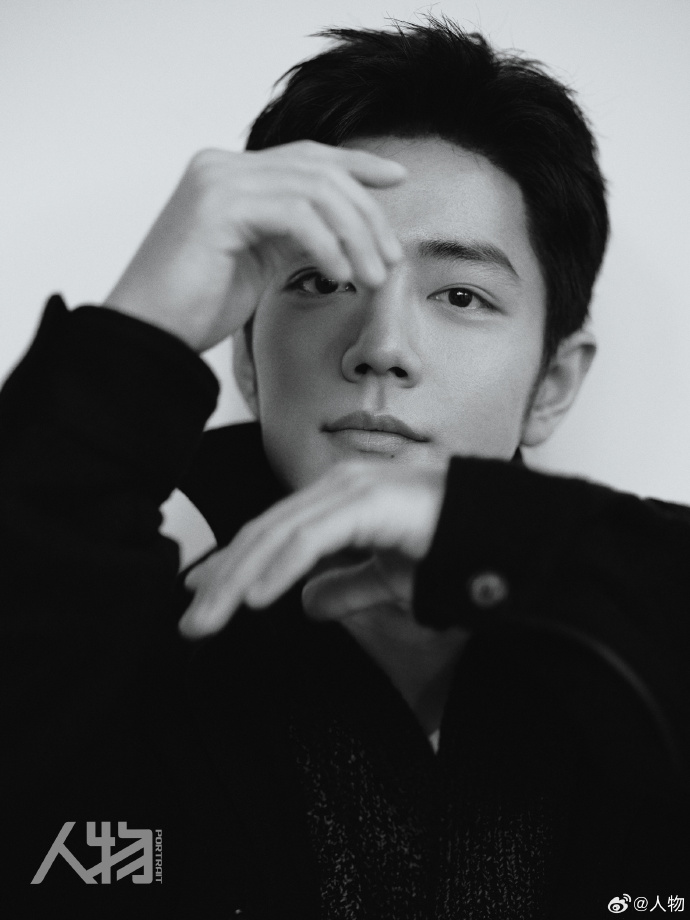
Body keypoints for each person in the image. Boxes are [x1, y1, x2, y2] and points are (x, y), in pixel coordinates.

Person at [1, 17, 688, 920]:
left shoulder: (646, 617)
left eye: (461, 294)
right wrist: (134, 336)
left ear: (552, 384)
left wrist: (497, 535)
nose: (381, 346)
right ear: (248, 359)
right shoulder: (103, 626)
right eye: (322, 281)